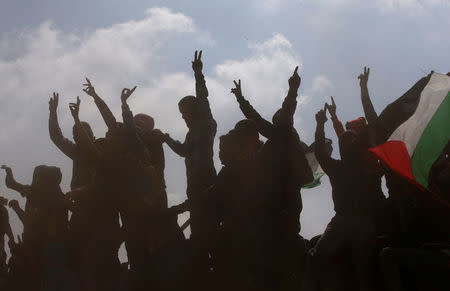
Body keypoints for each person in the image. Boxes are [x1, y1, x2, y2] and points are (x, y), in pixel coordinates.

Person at [231, 68, 313, 290]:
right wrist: (240, 99)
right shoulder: (277, 139)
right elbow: (256, 119)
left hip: (285, 197)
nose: (275, 119)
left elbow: (279, 113)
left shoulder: (283, 131)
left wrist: (293, 89)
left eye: (278, 117)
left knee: (284, 240)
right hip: (283, 198)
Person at [162, 51, 217, 275]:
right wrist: (166, 139)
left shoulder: (205, 124)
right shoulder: (190, 134)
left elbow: (203, 99)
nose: (183, 117)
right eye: (181, 114)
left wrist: (198, 74)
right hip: (194, 183)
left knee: (207, 231)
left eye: (186, 112)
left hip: (205, 179)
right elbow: (184, 152)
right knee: (198, 231)